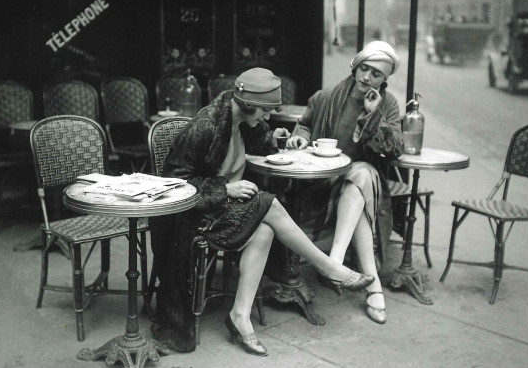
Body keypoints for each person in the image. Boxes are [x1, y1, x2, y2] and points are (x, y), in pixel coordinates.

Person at [149, 67, 374, 357]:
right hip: (196, 213)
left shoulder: (241, 119)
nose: (267, 117)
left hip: (223, 207)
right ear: (247, 103)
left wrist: (275, 137)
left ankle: (239, 317)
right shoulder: (206, 125)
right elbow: (175, 182)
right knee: (269, 203)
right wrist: (224, 189)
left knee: (266, 228)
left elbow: (256, 140)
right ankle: (330, 267)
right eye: (265, 111)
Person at [287, 41, 404, 325]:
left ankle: (334, 261)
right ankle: (372, 285)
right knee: (358, 193)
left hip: (364, 181)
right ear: (355, 66)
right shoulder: (325, 97)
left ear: (384, 79)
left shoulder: (387, 104)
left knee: (361, 173)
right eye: (364, 69)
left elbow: (396, 149)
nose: (367, 77)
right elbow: (304, 124)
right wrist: (299, 136)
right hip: (324, 182)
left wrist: (374, 115)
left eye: (376, 74)